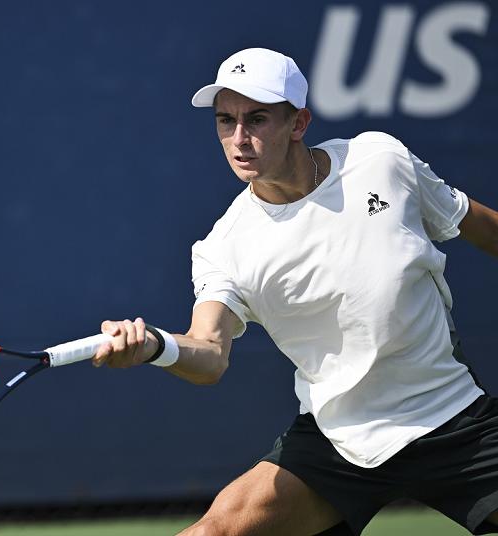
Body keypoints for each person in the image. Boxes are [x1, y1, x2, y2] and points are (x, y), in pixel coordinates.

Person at [92, 48, 498, 536]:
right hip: (337, 441)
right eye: (226, 121)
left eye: (257, 119)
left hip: (449, 416)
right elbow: (209, 354)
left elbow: (483, 228)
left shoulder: (381, 161)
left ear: (299, 122)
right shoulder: (224, 247)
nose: (239, 139)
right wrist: (156, 347)